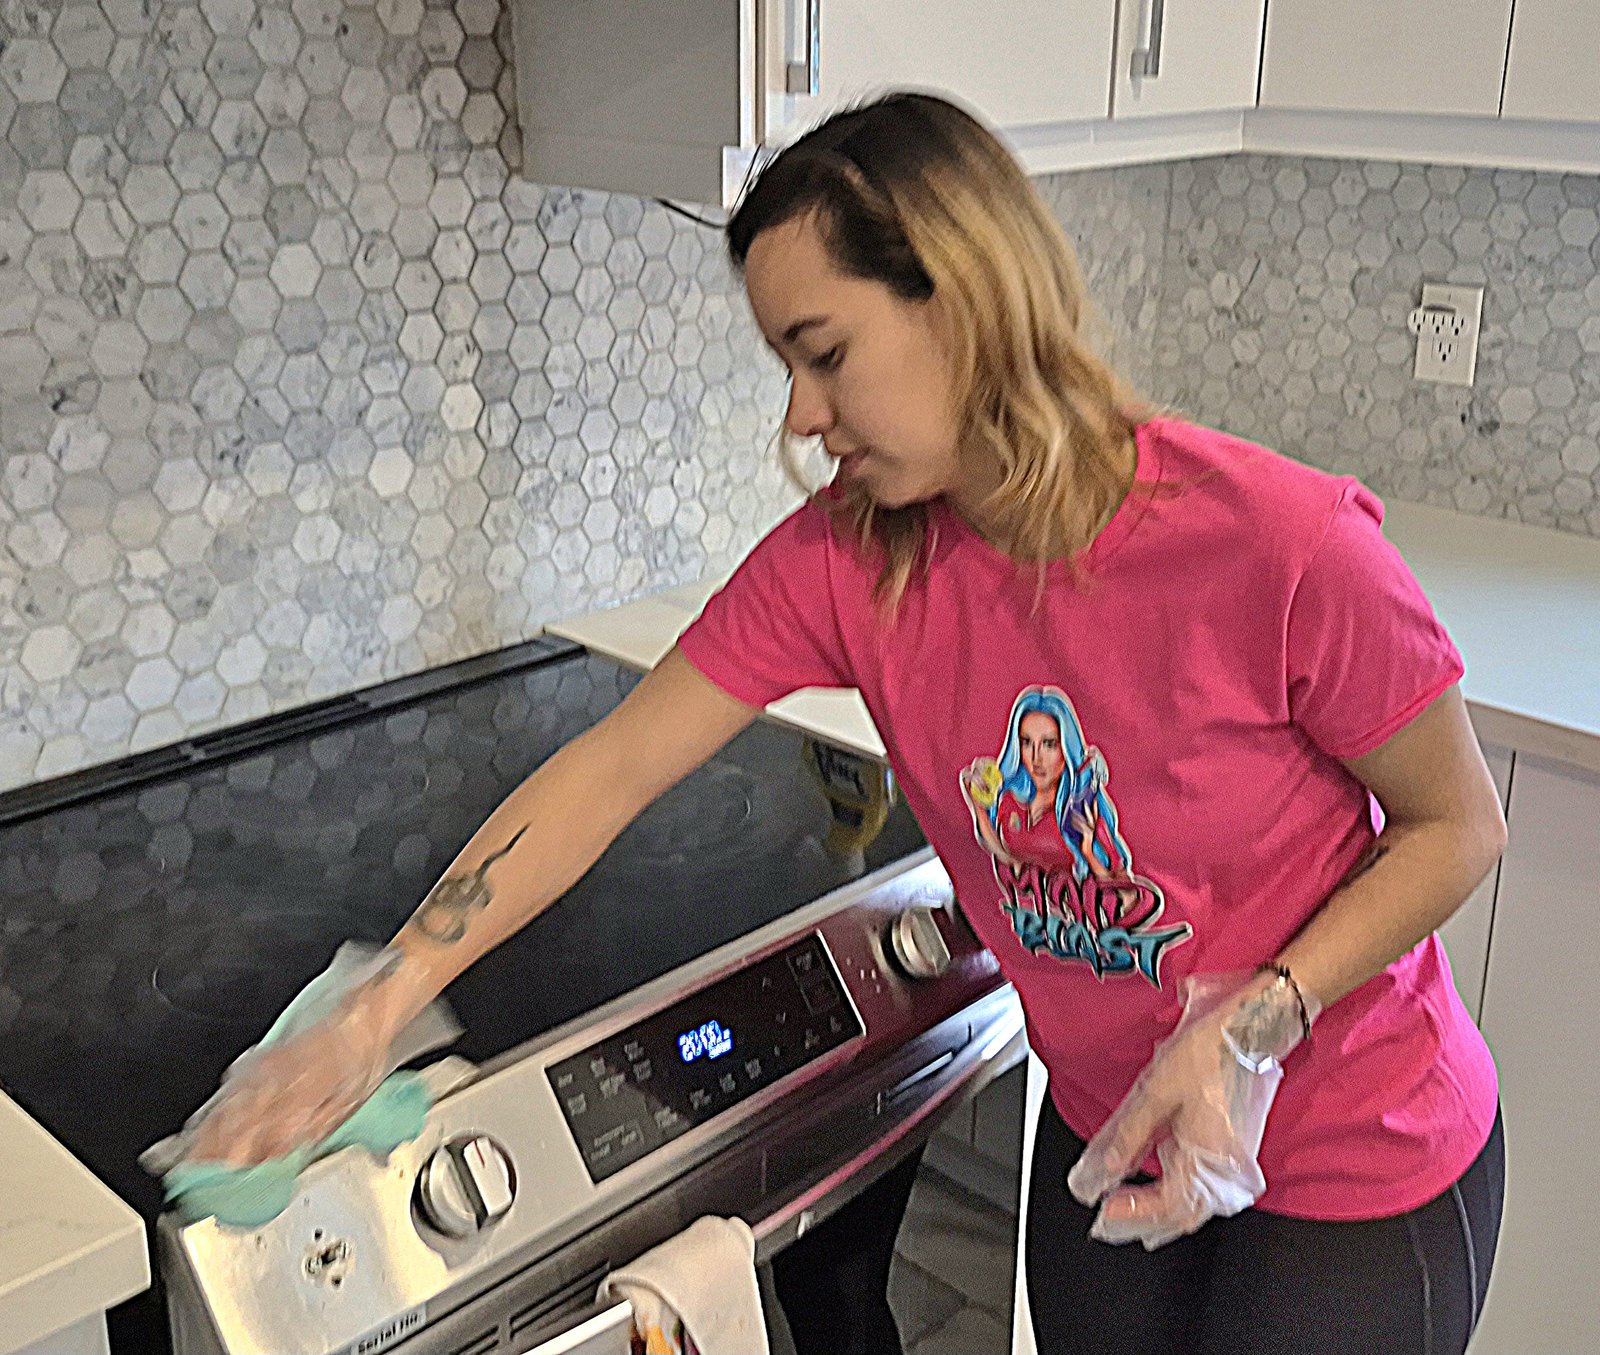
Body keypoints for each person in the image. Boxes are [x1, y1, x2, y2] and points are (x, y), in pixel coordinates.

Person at [193, 92, 1508, 1354]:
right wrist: (380, 1007)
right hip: (1121, 1126)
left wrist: (1259, 1016)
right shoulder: (857, 561)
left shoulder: (1278, 546)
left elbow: (1459, 827)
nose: (801, 416)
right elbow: (614, 765)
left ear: (966, 299)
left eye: (824, 355)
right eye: (785, 365)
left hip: (1360, 1151)